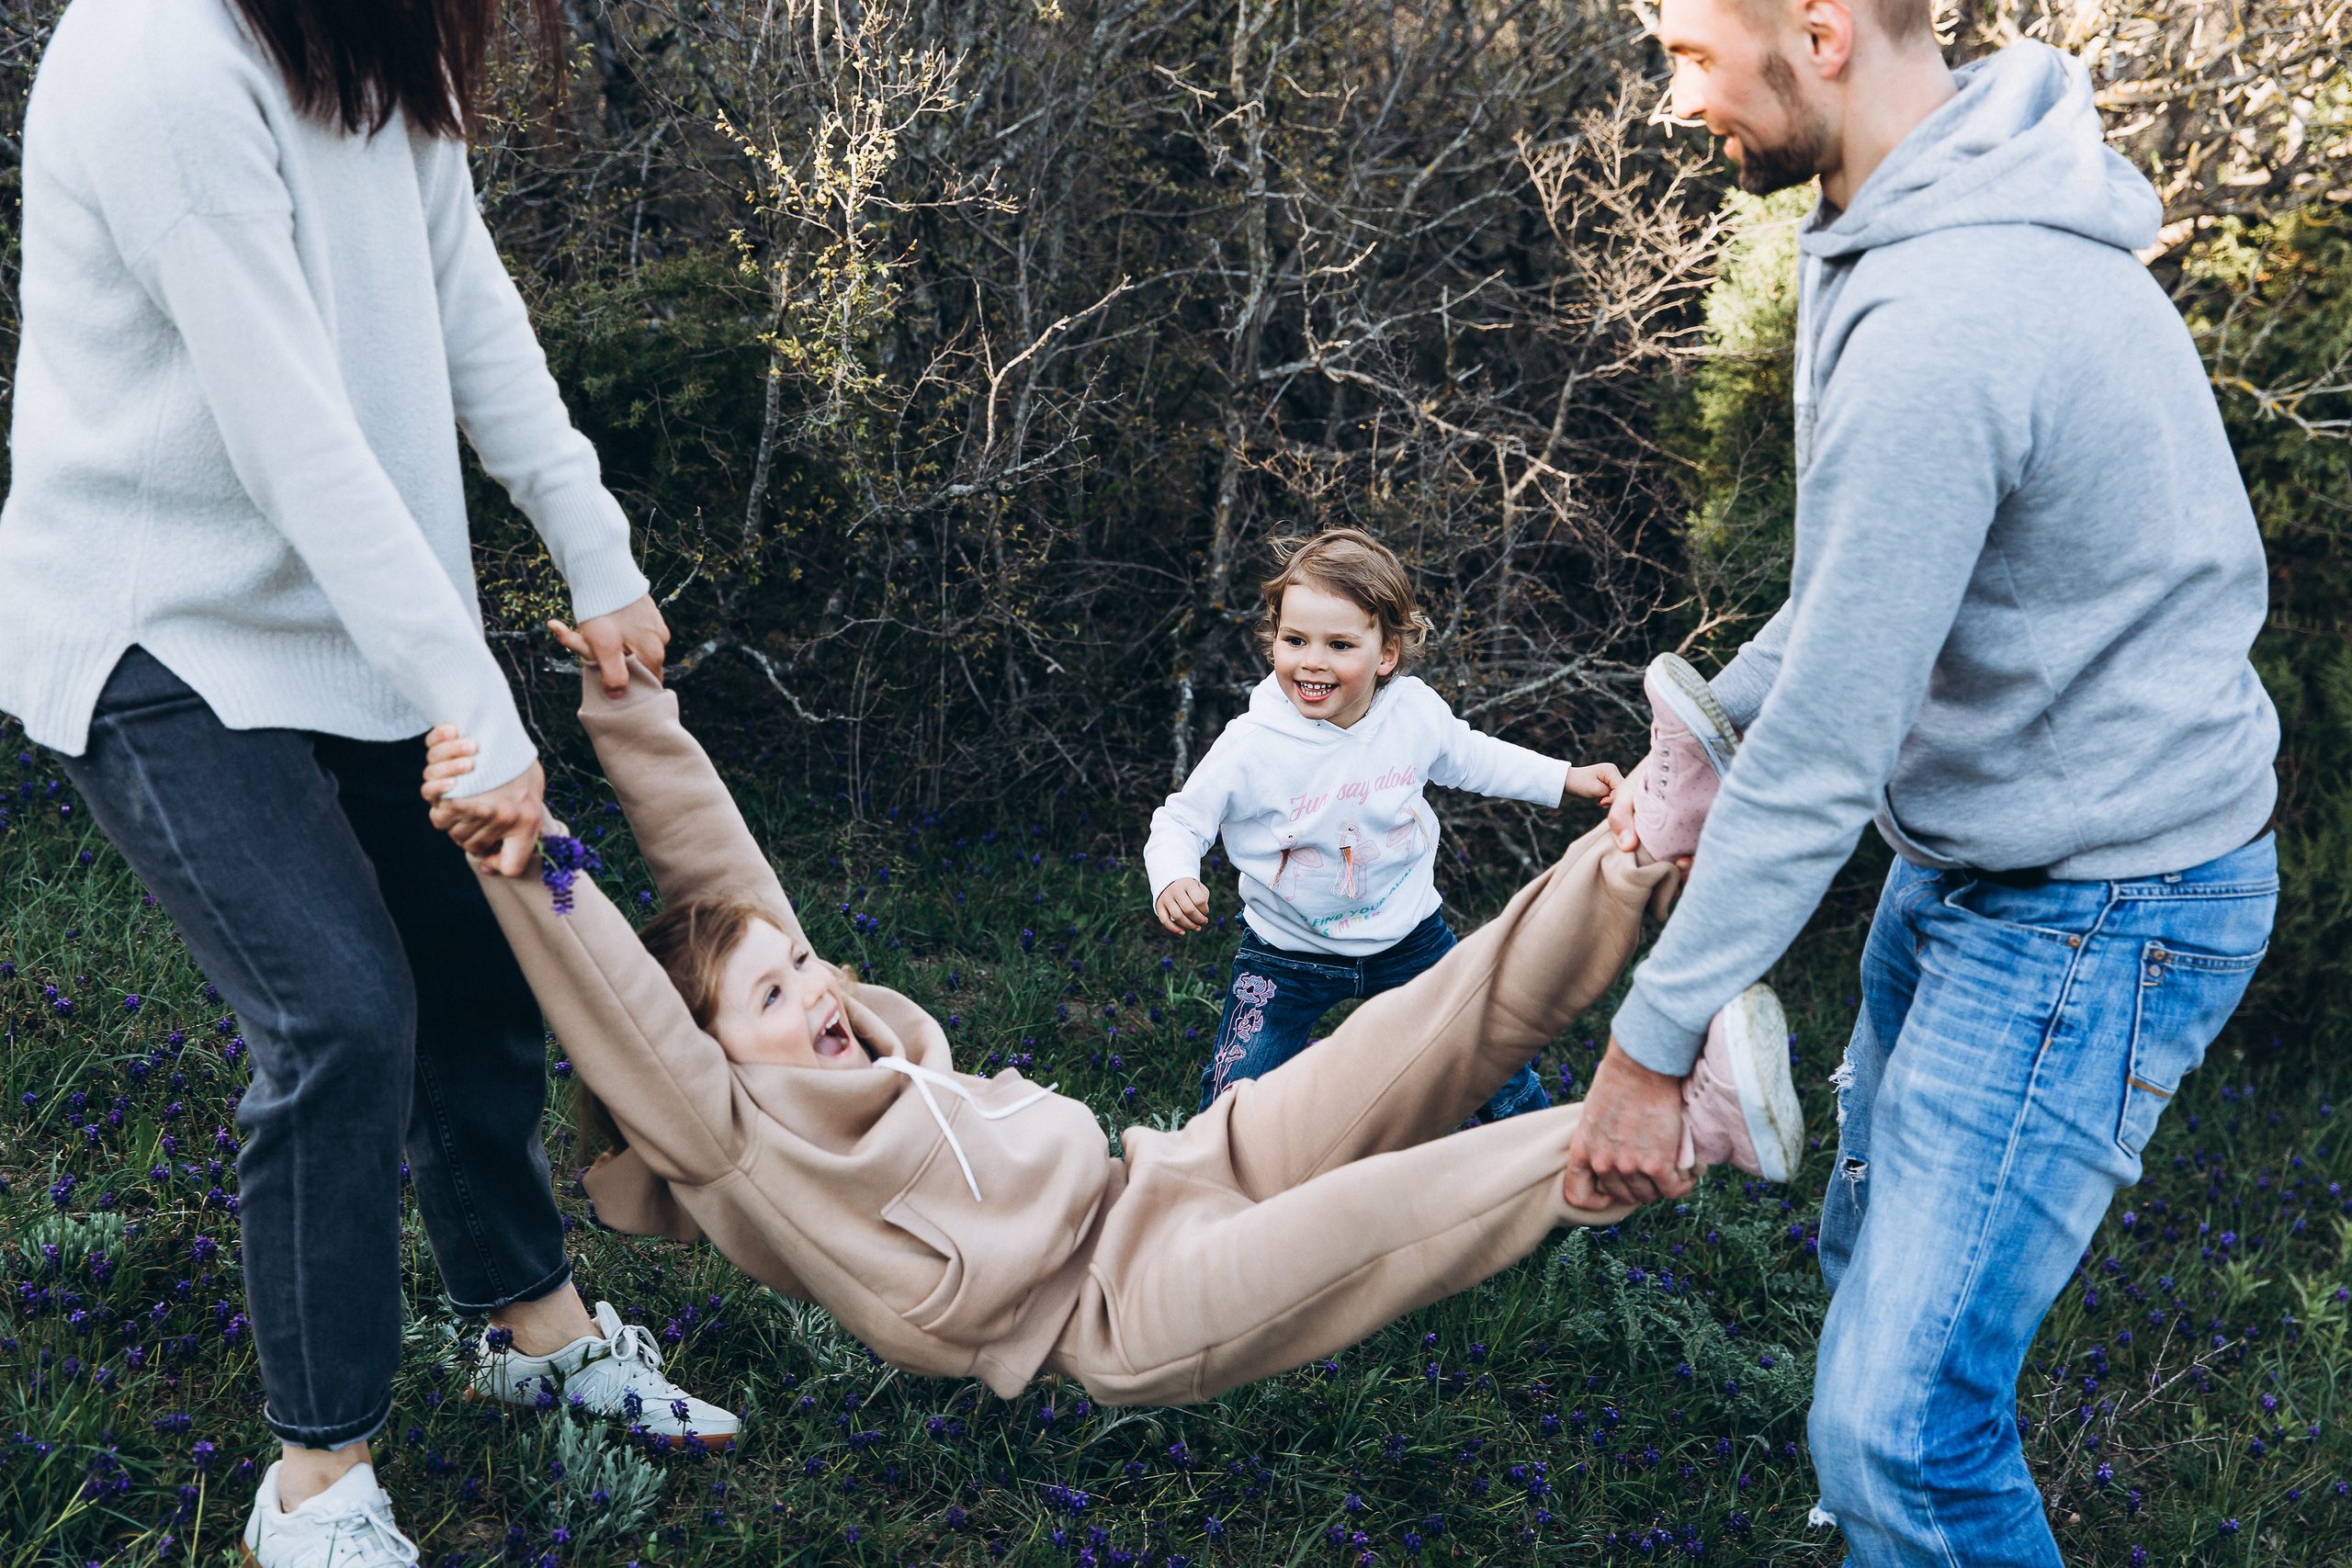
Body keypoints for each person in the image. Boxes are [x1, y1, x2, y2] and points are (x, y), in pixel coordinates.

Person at [0, 3, 733, 1562]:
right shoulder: (156, 57)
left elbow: (464, 300)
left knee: (476, 965)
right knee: (338, 1013)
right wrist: (476, 700)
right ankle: (313, 1482)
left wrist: (592, 552)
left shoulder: (366, 31)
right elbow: (291, 435)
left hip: (354, 615)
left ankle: (530, 1327)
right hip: (161, 624)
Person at [1566, 3, 2281, 1562]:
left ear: (1819, 33)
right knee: (1868, 1263)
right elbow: (1879, 585)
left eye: (1690, 56)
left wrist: (1649, 1041)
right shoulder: (1913, 211)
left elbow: (1826, 760)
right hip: (1988, 856)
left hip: (2102, 905)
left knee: (1902, 1429)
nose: (1673, 103)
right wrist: (1715, 720)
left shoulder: (1949, 306)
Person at [417, 646, 1807, 1410]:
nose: (818, 989)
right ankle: (1675, 1127)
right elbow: (625, 1019)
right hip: (1121, 1311)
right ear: (708, 1060)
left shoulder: (824, 1020)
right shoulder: (732, 1138)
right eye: (774, 998)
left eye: (807, 968)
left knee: (1422, 1026)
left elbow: (727, 885)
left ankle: (1636, 844)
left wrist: (628, 700)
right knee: (1398, 1207)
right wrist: (526, 856)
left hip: (1166, 1168)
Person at [1145, 528, 1625, 1119]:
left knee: (1484, 1058)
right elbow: (1182, 819)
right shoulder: (1252, 744)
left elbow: (1473, 758)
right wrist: (1173, 876)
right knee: (1235, 1092)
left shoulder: (1413, 713)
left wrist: (1565, 778)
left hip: (1408, 940)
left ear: (1387, 654)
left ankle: (1543, 1167)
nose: (1312, 662)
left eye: (1340, 645)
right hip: (1285, 950)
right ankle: (1211, 1190)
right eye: (1294, 639)